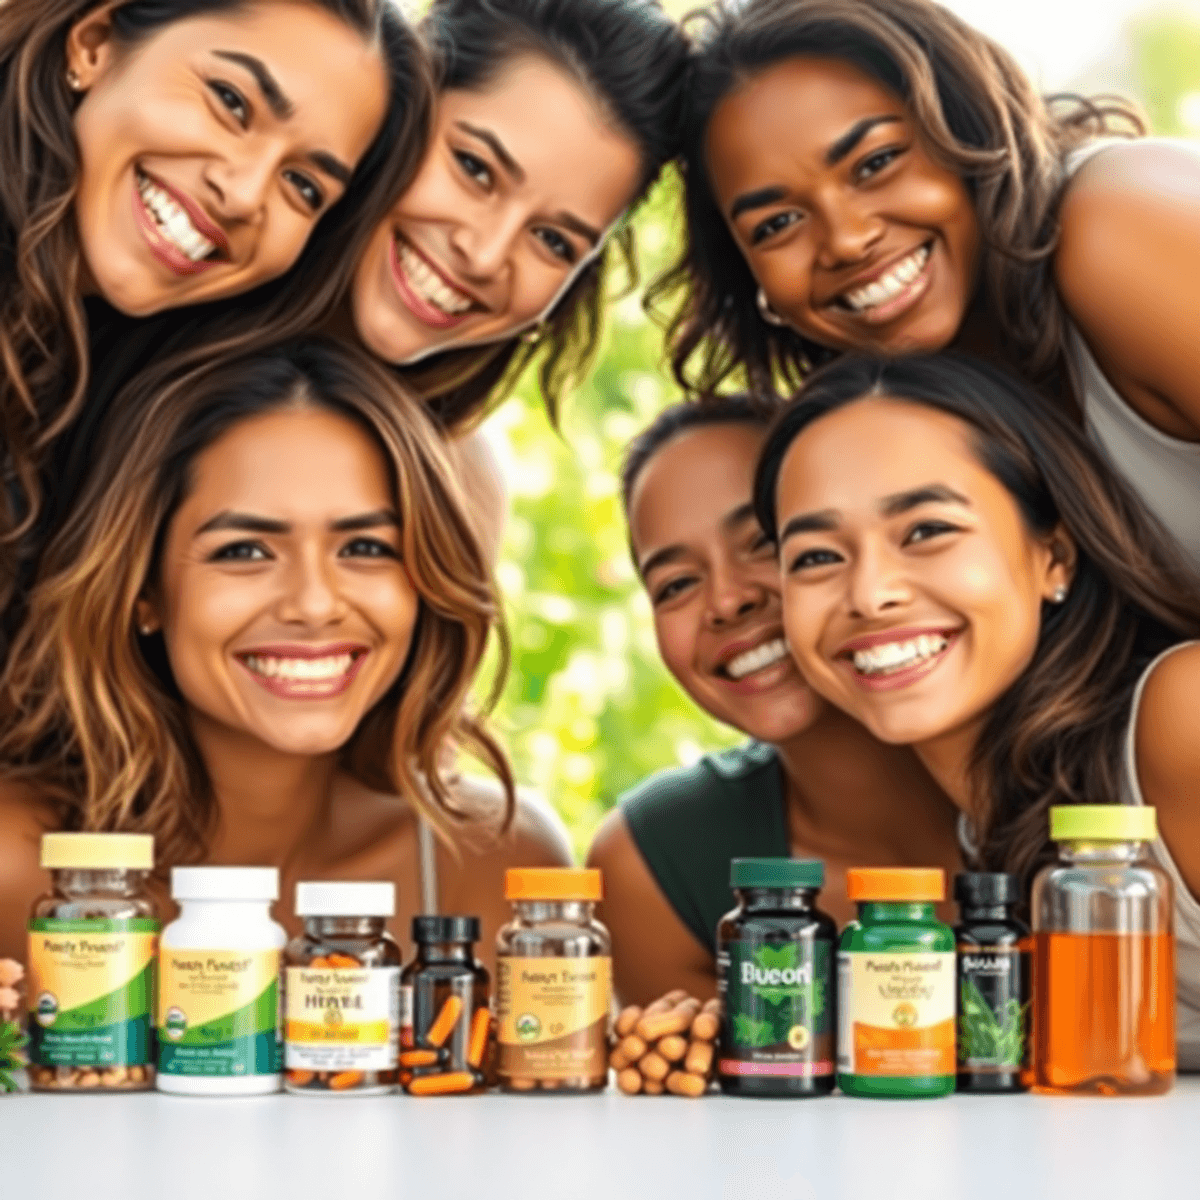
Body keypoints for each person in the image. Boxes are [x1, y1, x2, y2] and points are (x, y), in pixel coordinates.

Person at [0, 340, 570, 970]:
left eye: (365, 547)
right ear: (143, 592)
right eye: (244, 551)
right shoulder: (20, 861)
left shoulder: (497, 861)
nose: (315, 604)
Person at [753, 352, 1200, 1065]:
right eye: (815, 557)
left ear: (1053, 553)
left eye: (926, 530)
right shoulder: (977, 833)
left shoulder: (1180, 721)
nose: (869, 594)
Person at [661, 0, 1200, 568]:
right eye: (776, 224)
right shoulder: (902, 416)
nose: (845, 240)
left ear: (966, 129)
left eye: (876, 163)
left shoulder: (1116, 223)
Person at [1, 0, 430, 611]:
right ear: (95, 43)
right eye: (231, 103)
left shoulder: (117, 425)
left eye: (304, 186)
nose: (243, 193)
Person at [586, 396, 960, 1004]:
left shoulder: (1090, 805)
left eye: (764, 543)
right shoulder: (656, 865)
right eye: (676, 584)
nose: (727, 601)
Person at [348, 0, 690, 430]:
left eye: (553, 240)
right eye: (475, 168)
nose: (484, 257)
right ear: (401, 94)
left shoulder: (452, 486)